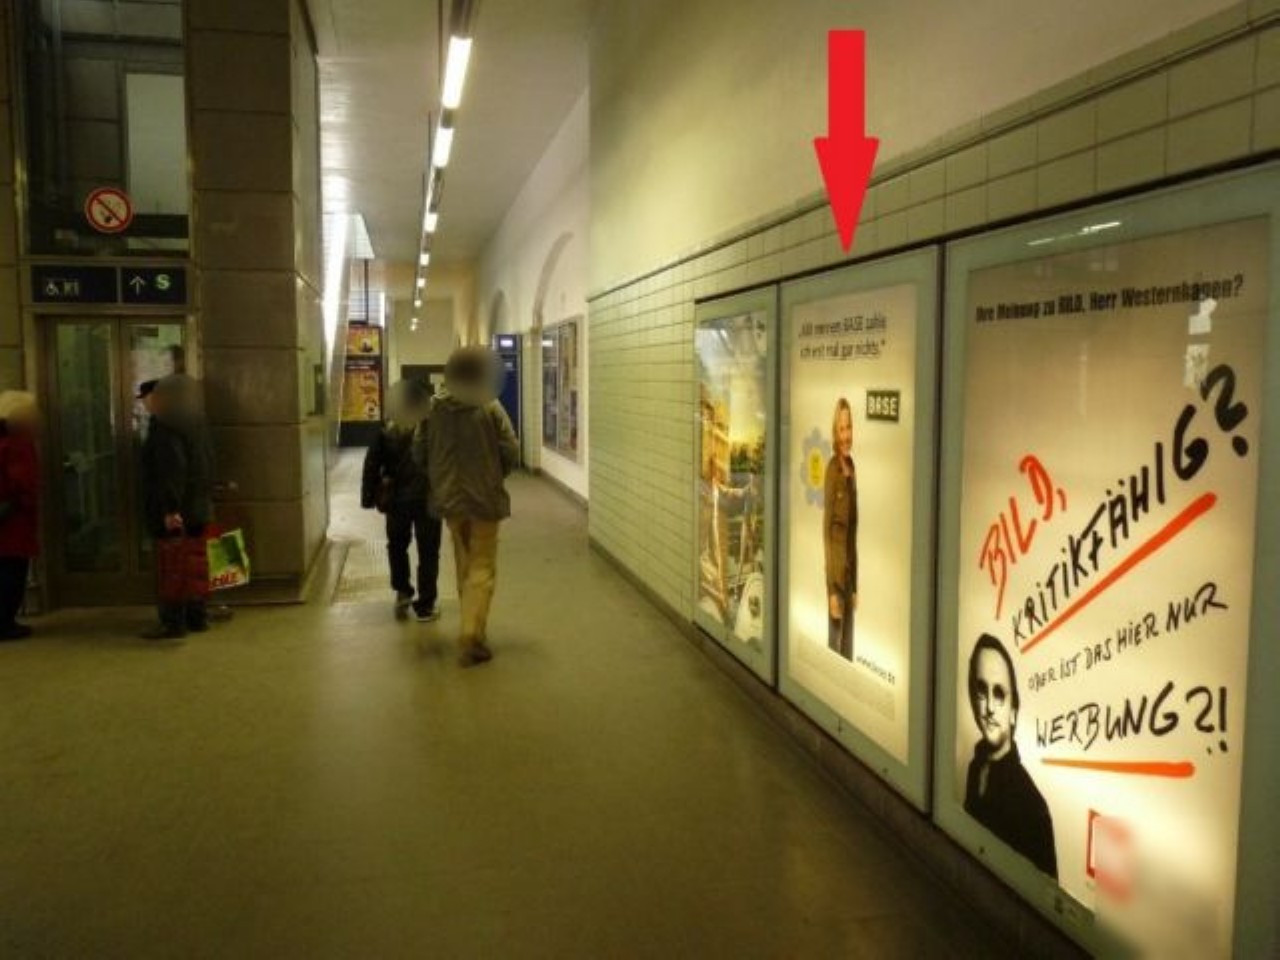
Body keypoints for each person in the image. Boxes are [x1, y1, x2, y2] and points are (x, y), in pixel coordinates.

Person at [415, 346, 520, 667]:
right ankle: (472, 632)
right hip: (484, 499)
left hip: (449, 499)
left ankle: (471, 626)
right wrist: (495, 475)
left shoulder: (433, 409)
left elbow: (419, 451)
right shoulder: (490, 406)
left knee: (463, 560)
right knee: (482, 565)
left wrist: (438, 477)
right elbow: (510, 449)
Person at [963, 633, 1058, 879]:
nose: (989, 708)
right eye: (981, 691)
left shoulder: (1033, 807)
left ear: (1014, 710)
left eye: (999, 694)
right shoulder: (975, 768)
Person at [138, 377, 215, 640]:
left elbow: (172, 470)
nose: (146, 404)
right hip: (198, 507)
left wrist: (170, 509)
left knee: (172, 566)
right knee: (194, 564)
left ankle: (173, 622)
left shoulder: (165, 427)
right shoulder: (197, 423)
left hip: (177, 510)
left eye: (148, 398)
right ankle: (197, 616)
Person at [362, 378, 441, 621]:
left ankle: (403, 591)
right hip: (428, 498)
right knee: (429, 551)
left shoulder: (387, 428)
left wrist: (368, 497)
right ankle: (426, 605)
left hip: (397, 500)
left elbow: (372, 462)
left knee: (396, 546)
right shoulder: (432, 428)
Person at [0, 391, 41, 641]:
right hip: (13, 520)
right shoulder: (17, 444)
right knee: (12, 572)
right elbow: (23, 481)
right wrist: (29, 499)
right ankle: (5, 623)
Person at [823, 397, 857, 660]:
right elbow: (827, 532)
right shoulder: (832, 470)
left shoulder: (852, 468)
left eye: (849, 428)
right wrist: (831, 592)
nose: (846, 435)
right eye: (841, 429)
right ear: (835, 433)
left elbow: (852, 533)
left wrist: (854, 585)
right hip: (836, 578)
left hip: (848, 576)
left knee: (848, 654)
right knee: (834, 655)